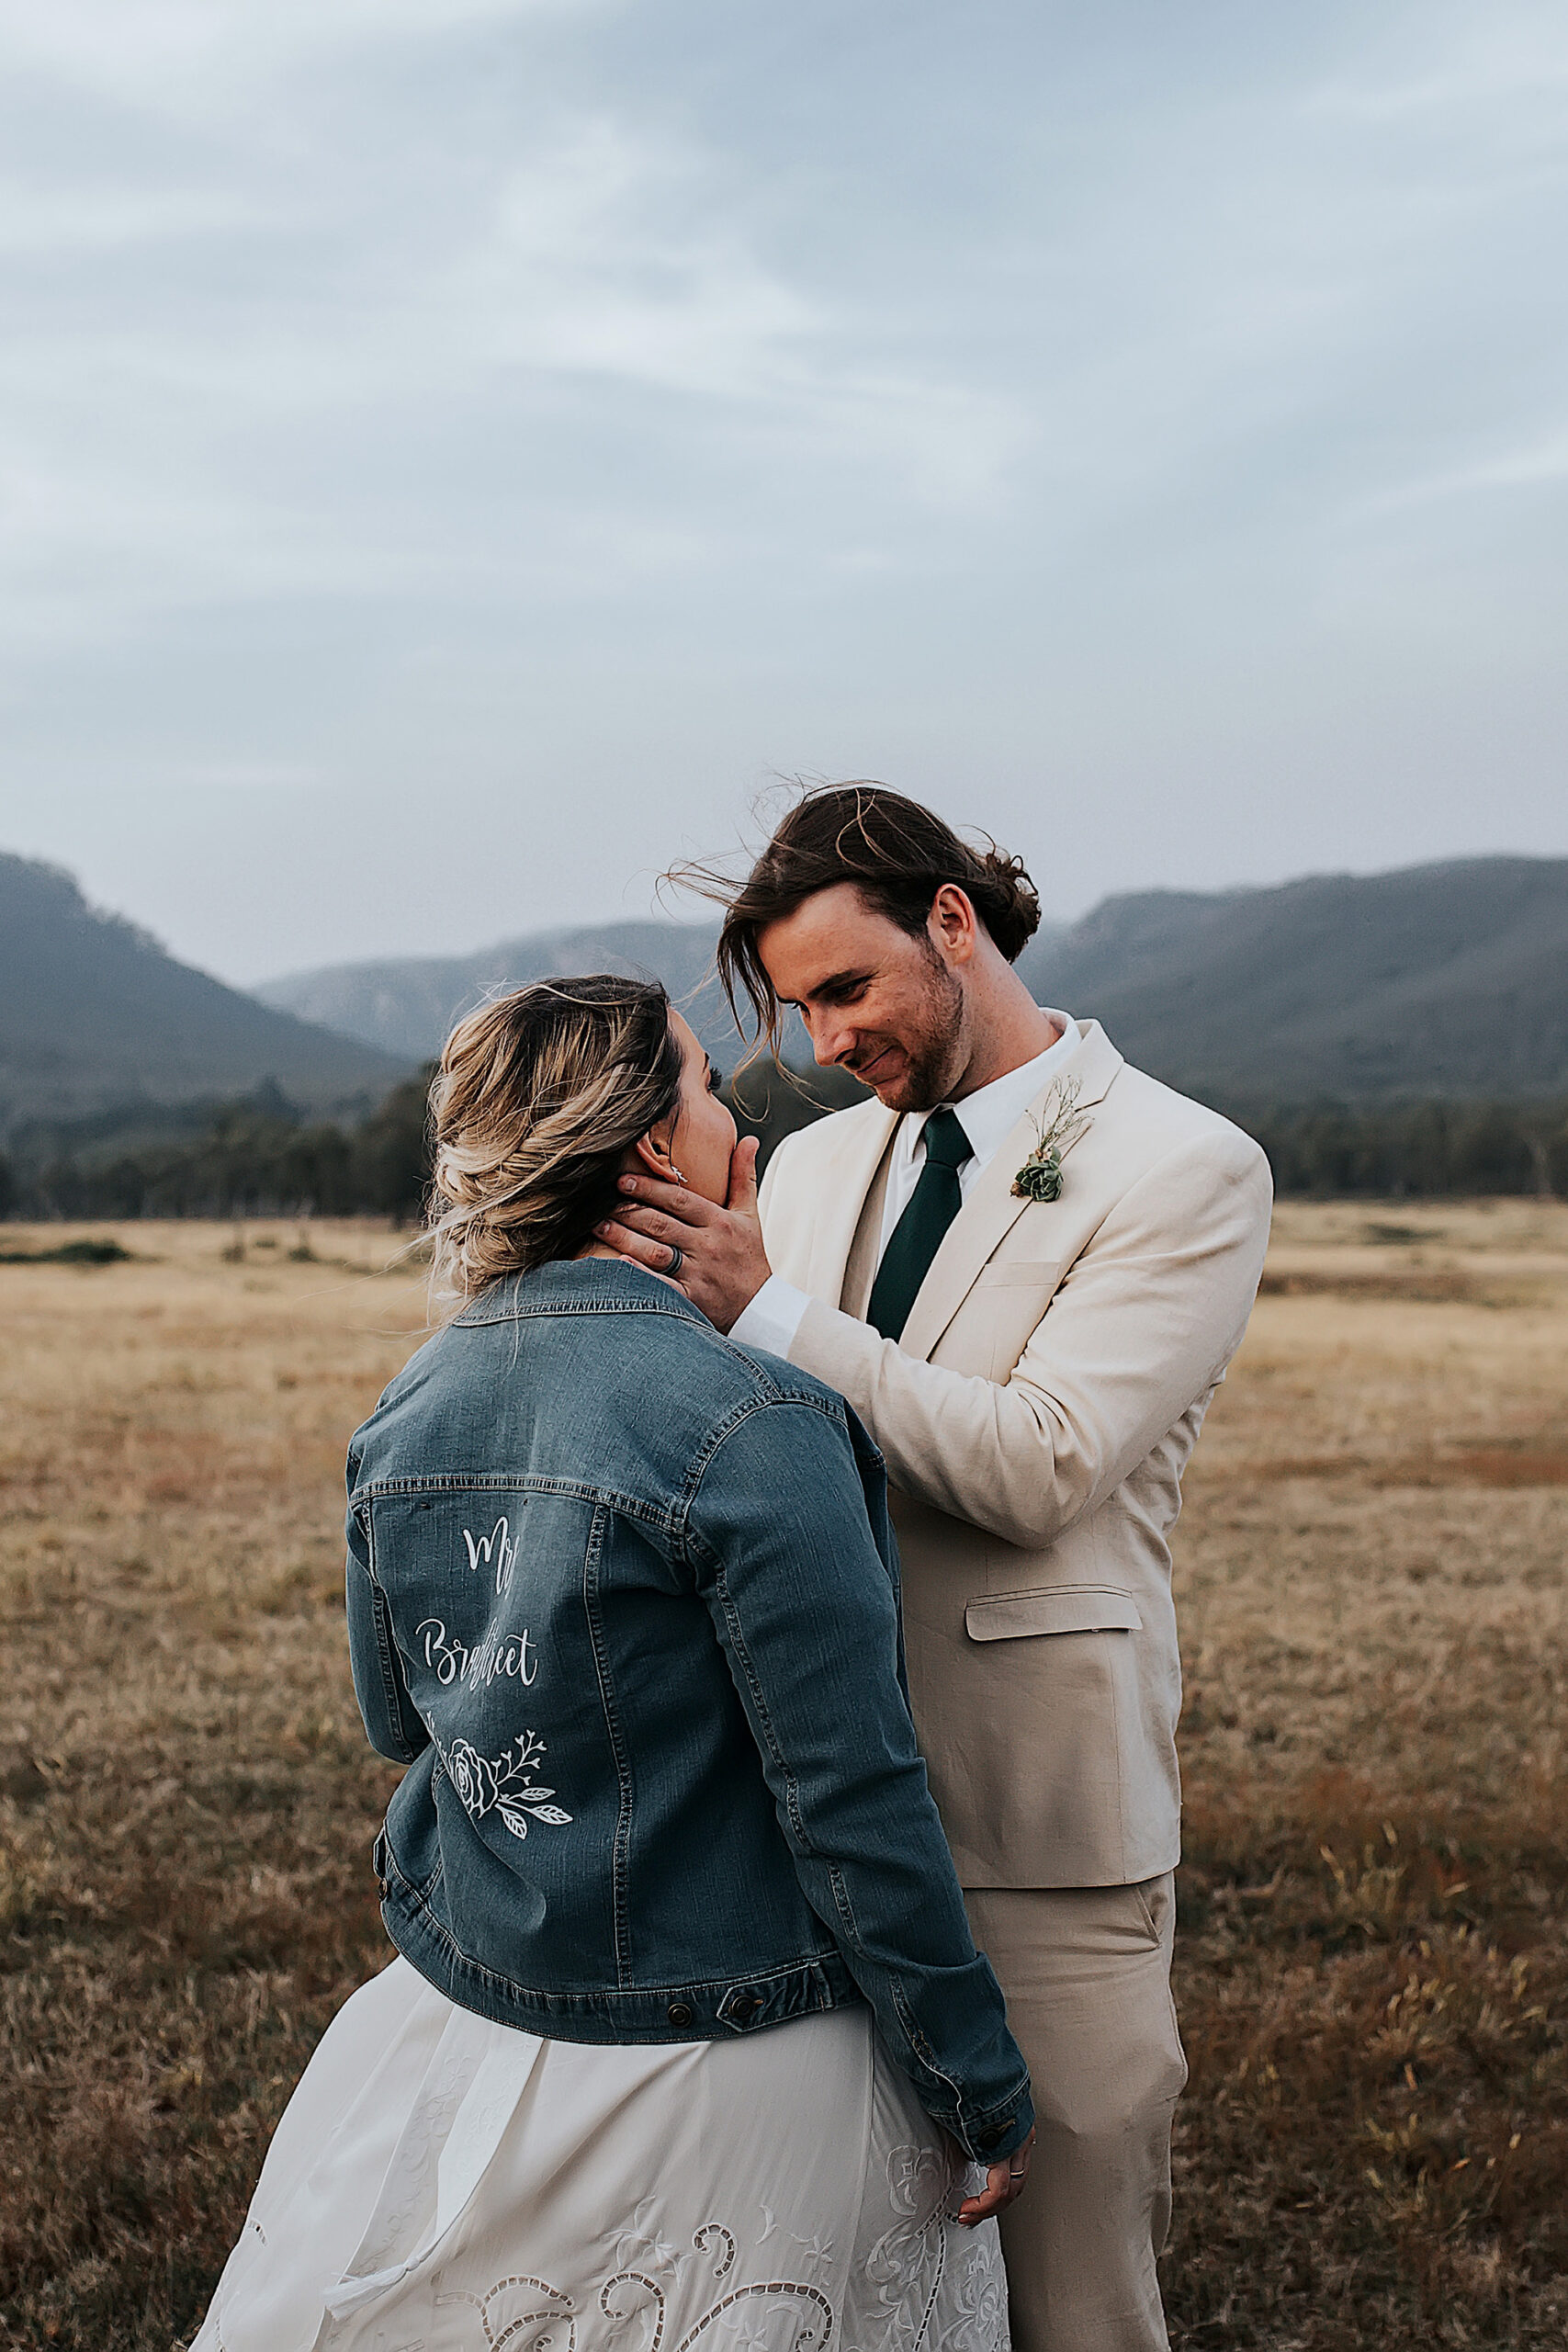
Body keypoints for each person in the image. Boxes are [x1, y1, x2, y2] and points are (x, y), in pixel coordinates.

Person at [190, 974, 1034, 2352]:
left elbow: (398, 1715)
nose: (735, 1119)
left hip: (477, 2003)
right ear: (649, 1147)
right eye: (706, 1086)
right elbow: (854, 1796)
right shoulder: (761, 1419)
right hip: (733, 2055)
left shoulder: (413, 1402)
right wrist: (975, 2076)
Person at [599, 788, 1275, 2352]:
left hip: (1036, 1827)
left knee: (1072, 2296)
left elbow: (1041, 1463)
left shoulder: (1186, 1165)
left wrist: (766, 1314)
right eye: (796, 1009)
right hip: (797, 1816)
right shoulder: (818, 1166)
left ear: (953, 924)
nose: (827, 1041)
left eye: (849, 988)